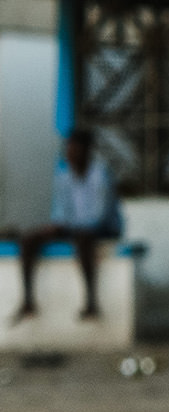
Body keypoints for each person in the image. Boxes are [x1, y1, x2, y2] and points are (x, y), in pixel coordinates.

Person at [11, 127, 122, 322]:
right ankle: (28, 301)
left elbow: (99, 216)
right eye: (69, 149)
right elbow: (61, 210)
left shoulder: (100, 175)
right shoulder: (64, 175)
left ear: (87, 151)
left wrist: (67, 226)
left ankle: (91, 303)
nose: (70, 154)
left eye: (75, 149)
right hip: (74, 227)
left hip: (103, 228)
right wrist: (56, 226)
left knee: (84, 238)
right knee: (29, 239)